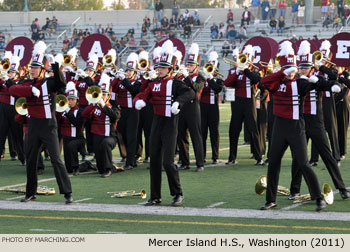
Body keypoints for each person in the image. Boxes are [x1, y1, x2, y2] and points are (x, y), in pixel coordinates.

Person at [259, 41, 326, 212]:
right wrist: (282, 71)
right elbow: (262, 83)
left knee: (303, 163)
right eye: (288, 69)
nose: (291, 73)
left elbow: (317, 85)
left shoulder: (300, 83)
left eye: (293, 69)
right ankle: (270, 200)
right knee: (273, 162)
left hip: (296, 128)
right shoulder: (276, 82)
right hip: (279, 128)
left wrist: (321, 80)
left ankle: (318, 197)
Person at [9, 41, 73, 204]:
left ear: (42, 70)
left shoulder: (49, 83)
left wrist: (56, 65)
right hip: (33, 126)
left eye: (36, 68)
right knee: (31, 160)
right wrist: (30, 90)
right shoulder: (28, 84)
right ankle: (30, 192)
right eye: (31, 67)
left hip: (49, 126)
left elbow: (61, 84)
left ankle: (67, 192)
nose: (32, 70)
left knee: (56, 159)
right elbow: (12, 89)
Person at [133, 40, 195, 206]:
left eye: (162, 67)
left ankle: (178, 193)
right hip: (157, 123)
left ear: (170, 69)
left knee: (167, 161)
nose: (159, 70)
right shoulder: (154, 84)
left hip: (170, 123)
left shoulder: (175, 83)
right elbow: (142, 94)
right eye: (158, 67)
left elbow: (190, 93)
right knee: (154, 161)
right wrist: (138, 101)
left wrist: (178, 103)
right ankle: (155, 196)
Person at [288, 41, 350, 201]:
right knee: (298, 157)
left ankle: (341, 188)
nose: (302, 70)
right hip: (300, 121)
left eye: (306, 67)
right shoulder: (294, 81)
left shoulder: (317, 79)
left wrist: (333, 85)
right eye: (300, 67)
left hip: (316, 121)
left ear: (311, 68)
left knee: (327, 155)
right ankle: (294, 190)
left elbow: (332, 81)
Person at [224, 45, 264, 166]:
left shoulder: (253, 70)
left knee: (253, 129)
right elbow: (227, 83)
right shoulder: (234, 71)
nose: (243, 60)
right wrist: (237, 71)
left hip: (249, 102)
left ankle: (258, 157)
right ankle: (232, 157)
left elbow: (256, 80)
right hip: (237, 102)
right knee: (234, 130)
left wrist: (245, 69)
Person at [82, 74, 120, 177]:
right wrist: (93, 104)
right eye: (101, 94)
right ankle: (108, 167)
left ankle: (109, 169)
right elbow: (84, 114)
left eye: (104, 94)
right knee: (100, 168)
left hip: (110, 137)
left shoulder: (114, 108)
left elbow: (114, 117)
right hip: (97, 137)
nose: (102, 96)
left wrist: (103, 105)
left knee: (105, 143)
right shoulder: (94, 107)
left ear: (109, 96)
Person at [176, 43, 205, 172]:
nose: (189, 67)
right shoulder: (181, 77)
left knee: (196, 136)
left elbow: (196, 88)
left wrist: (186, 77)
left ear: (197, 66)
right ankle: (185, 161)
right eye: (188, 64)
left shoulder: (200, 77)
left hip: (193, 109)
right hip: (182, 108)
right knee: (181, 136)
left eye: (191, 65)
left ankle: (200, 163)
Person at [112, 53, 141, 170]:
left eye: (130, 71)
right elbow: (113, 89)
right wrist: (115, 77)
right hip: (122, 111)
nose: (128, 72)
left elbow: (133, 90)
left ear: (135, 72)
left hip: (133, 112)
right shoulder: (122, 81)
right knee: (121, 134)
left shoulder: (138, 82)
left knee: (131, 136)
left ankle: (131, 161)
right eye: (127, 70)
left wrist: (123, 79)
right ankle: (126, 156)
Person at [0, 54, 25, 166]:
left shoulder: (20, 82)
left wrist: (7, 80)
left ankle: (22, 158)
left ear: (17, 73)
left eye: (12, 72)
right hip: (4, 109)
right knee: (1, 134)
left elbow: (15, 90)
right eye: (9, 72)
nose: (10, 74)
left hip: (15, 110)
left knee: (17, 135)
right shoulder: (3, 81)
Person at [57, 82, 85, 175]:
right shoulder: (63, 110)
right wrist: (57, 112)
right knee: (68, 169)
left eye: (73, 99)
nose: (70, 101)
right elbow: (57, 122)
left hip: (78, 138)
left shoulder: (81, 111)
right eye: (68, 99)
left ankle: (76, 167)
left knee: (72, 145)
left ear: (77, 100)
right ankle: (85, 166)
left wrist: (68, 111)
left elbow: (77, 123)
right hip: (66, 137)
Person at [200, 52, 223, 164]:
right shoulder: (201, 78)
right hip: (202, 108)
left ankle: (215, 156)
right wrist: (206, 78)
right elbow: (199, 90)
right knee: (202, 133)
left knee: (214, 133)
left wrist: (210, 79)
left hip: (213, 107)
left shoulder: (218, 79)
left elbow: (217, 89)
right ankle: (202, 156)